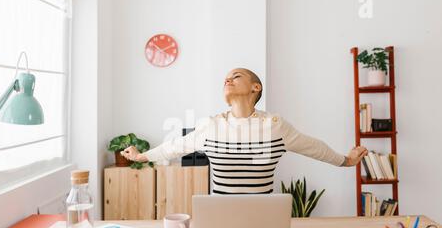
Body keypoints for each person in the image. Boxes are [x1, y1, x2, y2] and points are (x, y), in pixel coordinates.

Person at [122, 68, 368, 194]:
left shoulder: (274, 126)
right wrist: (140, 156)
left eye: (236, 76)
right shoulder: (211, 125)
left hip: (263, 220)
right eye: (226, 79)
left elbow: (313, 147)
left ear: (255, 87)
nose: (228, 80)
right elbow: (175, 147)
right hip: (219, 218)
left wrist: (345, 161)